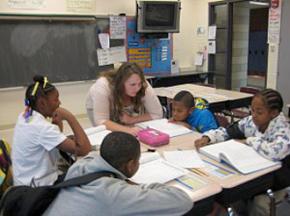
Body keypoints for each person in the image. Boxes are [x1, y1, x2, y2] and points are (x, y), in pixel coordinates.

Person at [44, 132, 193, 216]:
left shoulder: (81, 165)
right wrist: (142, 188)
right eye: (138, 160)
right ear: (130, 165)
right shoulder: (113, 194)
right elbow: (183, 201)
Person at [195, 88, 290, 216]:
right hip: (250, 172)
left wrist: (248, 141)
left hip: (277, 180)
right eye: (252, 110)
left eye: (259, 112)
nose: (254, 115)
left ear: (273, 113)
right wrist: (208, 137)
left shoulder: (283, 128)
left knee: (254, 202)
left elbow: (275, 152)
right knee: (230, 192)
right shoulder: (251, 122)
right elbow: (228, 131)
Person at [12, 75, 91, 186]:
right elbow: (84, 150)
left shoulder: (25, 116)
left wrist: (57, 124)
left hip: (24, 183)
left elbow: (50, 139)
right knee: (88, 177)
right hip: (38, 190)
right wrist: (70, 117)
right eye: (56, 99)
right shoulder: (41, 128)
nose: (59, 103)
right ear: (42, 103)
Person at [86, 62, 163, 136]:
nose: (137, 88)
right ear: (121, 83)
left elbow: (157, 114)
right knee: (108, 133)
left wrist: (131, 120)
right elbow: (101, 121)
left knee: (132, 129)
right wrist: (127, 130)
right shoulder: (103, 86)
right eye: (132, 85)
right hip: (98, 107)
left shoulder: (143, 85)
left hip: (123, 112)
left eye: (139, 84)